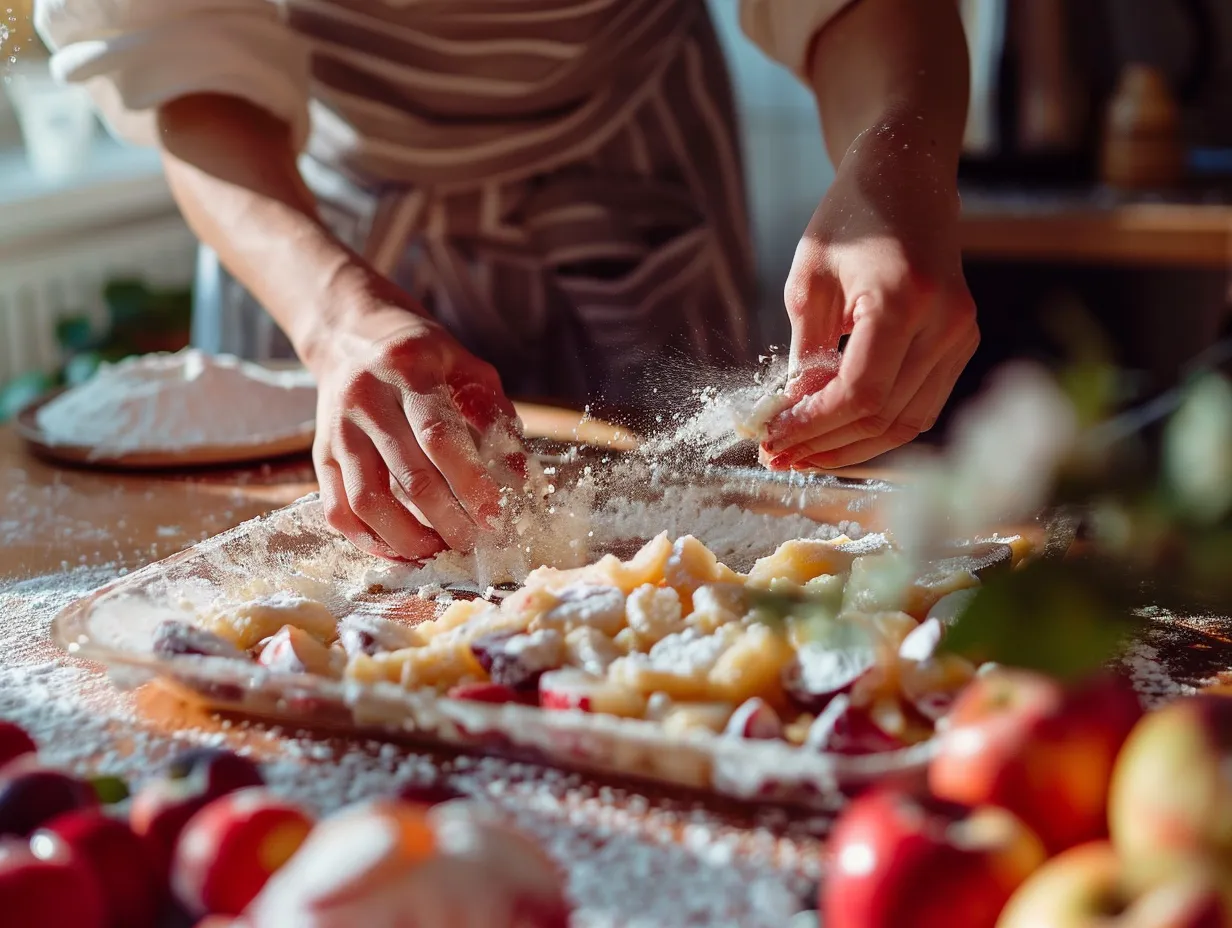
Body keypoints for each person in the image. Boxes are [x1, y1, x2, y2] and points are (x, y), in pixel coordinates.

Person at [35, 0, 978, 562]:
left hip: (630, 165)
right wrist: (331, 321)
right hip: (313, 220)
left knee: (687, 558)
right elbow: (179, 56)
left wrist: (895, 158)